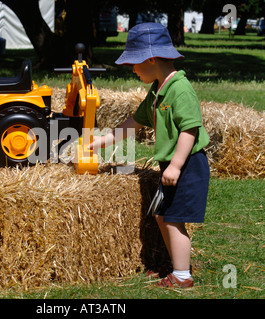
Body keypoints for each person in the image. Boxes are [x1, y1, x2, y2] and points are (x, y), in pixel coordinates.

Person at [88, 23, 210, 288]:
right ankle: (176, 264)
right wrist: (101, 142)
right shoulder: (157, 90)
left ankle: (182, 277)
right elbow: (134, 122)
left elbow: (190, 130)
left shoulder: (180, 88)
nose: (132, 69)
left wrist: (176, 166)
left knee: (173, 217)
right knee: (162, 215)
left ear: (151, 58)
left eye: (134, 62)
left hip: (188, 163)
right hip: (173, 164)